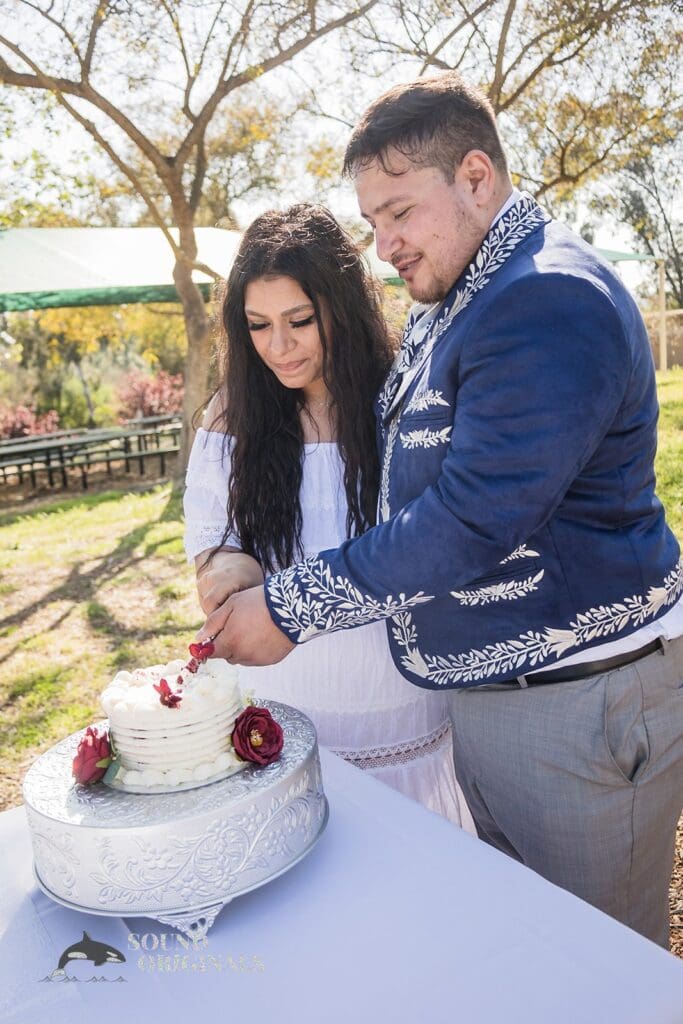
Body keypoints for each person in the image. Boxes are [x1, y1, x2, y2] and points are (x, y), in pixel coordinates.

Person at [199, 75, 683, 948]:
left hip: (575, 707)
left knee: (597, 968)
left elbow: (472, 519)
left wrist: (290, 607)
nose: (383, 245)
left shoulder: (544, 297)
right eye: (372, 222)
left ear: (474, 177)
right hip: (491, 705)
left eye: (397, 213)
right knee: (523, 958)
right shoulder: (458, 300)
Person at [184, 203, 474, 830]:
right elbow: (212, 540)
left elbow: (441, 538)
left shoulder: (405, 398)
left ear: (340, 306)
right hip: (286, 714)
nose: (278, 347)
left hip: (408, 715)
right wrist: (227, 570)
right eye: (258, 326)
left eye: (300, 320)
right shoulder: (232, 416)